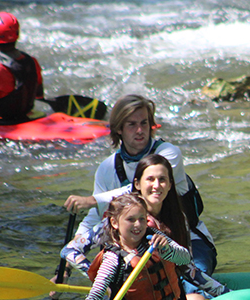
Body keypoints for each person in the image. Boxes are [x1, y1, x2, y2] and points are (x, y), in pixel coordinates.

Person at [61, 94, 217, 280]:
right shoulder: (107, 168)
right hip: (142, 248)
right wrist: (66, 267)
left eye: (144, 123)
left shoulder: (168, 154)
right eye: (132, 125)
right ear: (119, 129)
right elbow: (94, 217)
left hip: (188, 242)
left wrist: (93, 200)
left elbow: (140, 192)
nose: (140, 130)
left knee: (189, 285)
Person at [63, 154, 228, 300]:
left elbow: (188, 269)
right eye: (150, 179)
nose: (156, 185)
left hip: (162, 299)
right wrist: (100, 281)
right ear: (137, 184)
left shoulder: (179, 219)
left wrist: (226, 294)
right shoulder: (122, 219)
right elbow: (70, 250)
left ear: (170, 184)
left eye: (162, 179)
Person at [81, 193, 193, 300]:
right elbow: (95, 294)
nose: (138, 225)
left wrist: (168, 250)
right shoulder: (113, 259)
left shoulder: (155, 238)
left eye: (142, 219)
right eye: (131, 220)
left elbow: (185, 258)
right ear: (114, 222)